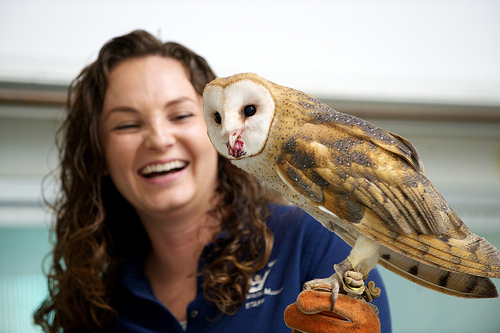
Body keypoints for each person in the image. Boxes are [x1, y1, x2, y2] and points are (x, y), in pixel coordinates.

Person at [34, 29, 391, 332]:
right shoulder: (97, 300)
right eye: (127, 124)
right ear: (99, 157)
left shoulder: (314, 244)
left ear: (219, 132)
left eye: (181, 115)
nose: (158, 139)